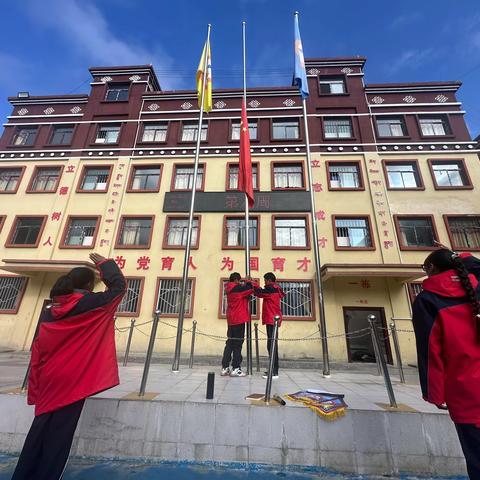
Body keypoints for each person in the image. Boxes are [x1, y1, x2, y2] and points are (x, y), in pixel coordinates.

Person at [12, 252, 126, 480]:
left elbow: (38, 350)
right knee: (60, 434)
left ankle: (23, 474)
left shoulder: (49, 311)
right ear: (88, 285)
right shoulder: (92, 303)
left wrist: (34, 388)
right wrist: (106, 264)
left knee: (39, 428)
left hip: (48, 377)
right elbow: (119, 288)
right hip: (73, 379)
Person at [412, 248, 480, 479]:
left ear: (431, 268)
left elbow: (430, 350)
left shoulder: (428, 299)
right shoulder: (477, 287)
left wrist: (434, 393)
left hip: (467, 391)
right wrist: (461, 256)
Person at [221, 272, 254, 377]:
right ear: (236, 280)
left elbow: (244, 295)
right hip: (239, 319)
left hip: (231, 320)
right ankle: (236, 368)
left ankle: (225, 367)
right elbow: (249, 289)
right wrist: (249, 281)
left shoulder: (229, 289)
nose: (240, 283)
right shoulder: (237, 288)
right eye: (239, 281)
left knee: (230, 343)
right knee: (237, 344)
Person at [254, 272, 285, 379]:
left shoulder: (272, 289)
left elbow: (259, 293)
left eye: (265, 280)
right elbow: (261, 292)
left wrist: (253, 284)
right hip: (272, 320)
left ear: (269, 280)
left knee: (272, 346)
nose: (264, 282)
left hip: (272, 320)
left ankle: (274, 371)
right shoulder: (274, 288)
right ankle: (273, 369)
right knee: (271, 345)